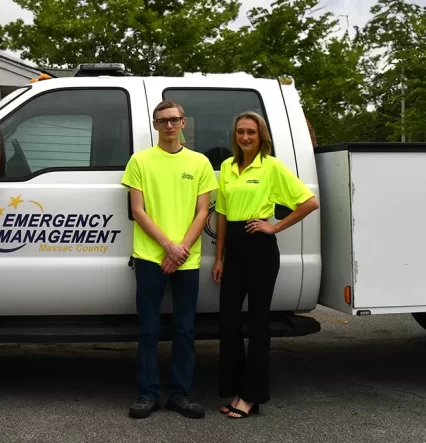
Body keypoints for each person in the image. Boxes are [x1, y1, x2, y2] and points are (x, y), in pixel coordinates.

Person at [211, 112, 319, 419]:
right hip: (233, 250)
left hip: (260, 250)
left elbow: (309, 202)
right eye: (240, 132)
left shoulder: (271, 166)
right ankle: (235, 389)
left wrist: (274, 227)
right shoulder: (228, 167)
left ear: (261, 137)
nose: (245, 137)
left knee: (258, 324)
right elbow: (222, 215)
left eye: (251, 132)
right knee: (228, 321)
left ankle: (252, 396)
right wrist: (219, 257)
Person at [121, 100, 218, 419]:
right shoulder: (140, 161)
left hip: (186, 259)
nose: (169, 125)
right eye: (163, 121)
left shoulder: (200, 162)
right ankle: (147, 394)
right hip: (150, 257)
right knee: (148, 330)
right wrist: (168, 246)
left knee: (185, 330)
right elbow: (138, 211)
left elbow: (203, 212)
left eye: (174, 120)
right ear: (155, 125)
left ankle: (180, 394)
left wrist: (181, 250)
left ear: (183, 123)